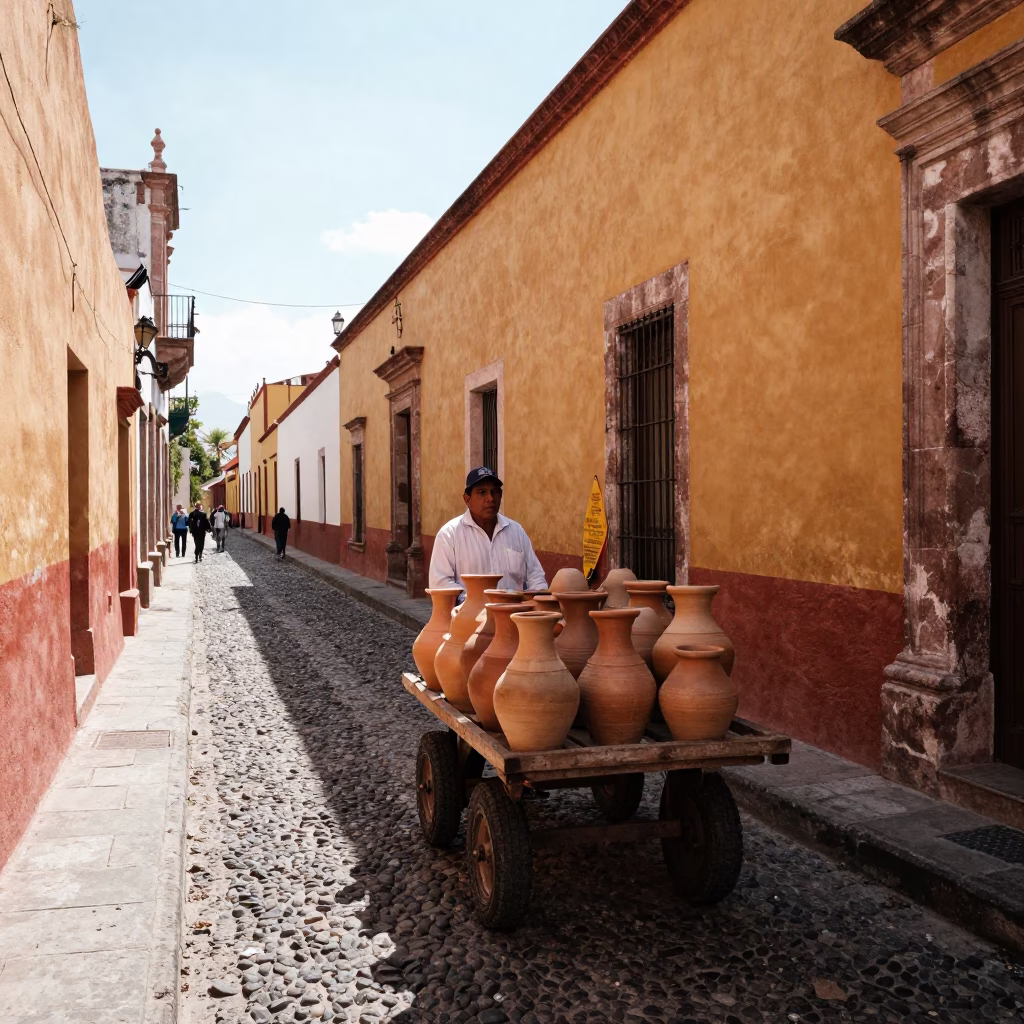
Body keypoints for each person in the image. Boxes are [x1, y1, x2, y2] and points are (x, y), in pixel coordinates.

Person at [428, 467, 547, 594]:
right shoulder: (449, 535)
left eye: (495, 492)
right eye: (482, 492)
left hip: (512, 611)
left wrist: (539, 602)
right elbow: (440, 584)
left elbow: (536, 576)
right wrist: (470, 604)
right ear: (467, 500)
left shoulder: (516, 531)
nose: (490, 498)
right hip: (468, 613)